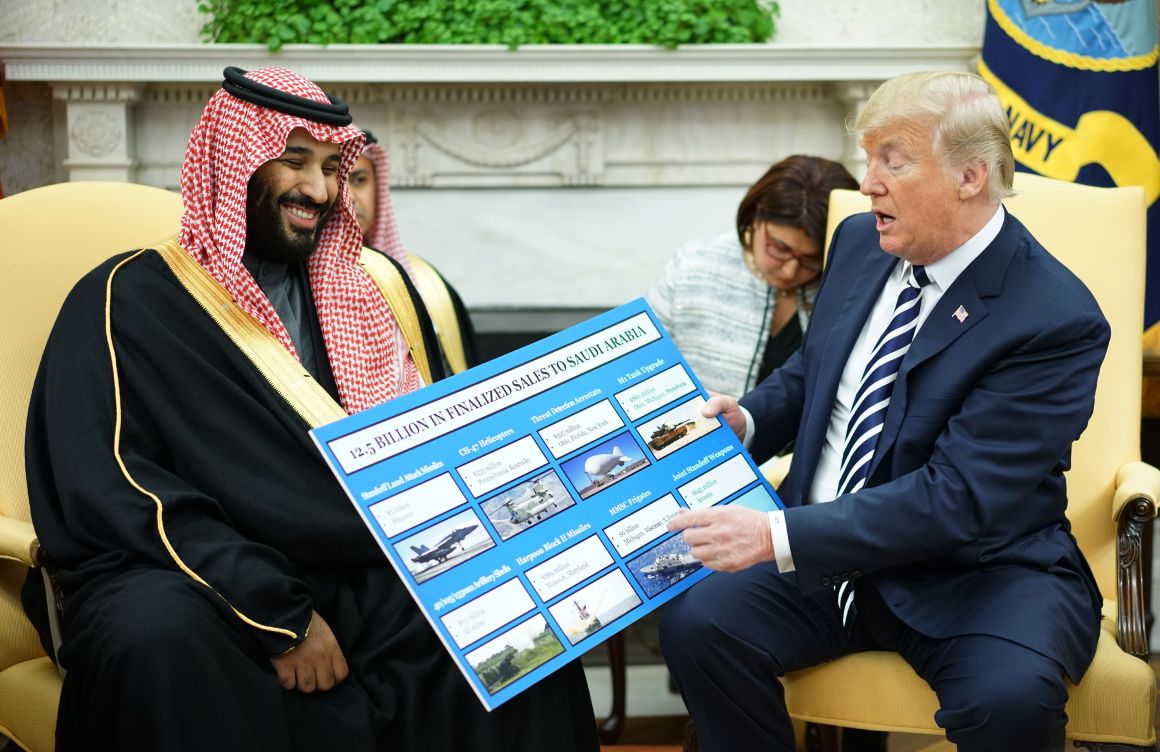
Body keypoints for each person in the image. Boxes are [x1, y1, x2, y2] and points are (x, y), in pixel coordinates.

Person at [22, 66, 598, 752]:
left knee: (512, 618)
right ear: (229, 162)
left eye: (332, 167)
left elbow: (435, 446)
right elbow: (119, 491)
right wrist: (278, 615)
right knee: (154, 638)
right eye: (295, 162)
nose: (321, 191)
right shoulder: (126, 299)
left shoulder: (362, 298)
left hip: (359, 568)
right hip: (197, 576)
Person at [660, 70, 1107, 752]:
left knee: (1010, 700)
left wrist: (777, 536)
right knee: (699, 622)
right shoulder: (862, 241)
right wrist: (746, 421)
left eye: (892, 163)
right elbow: (817, 373)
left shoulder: (1053, 318)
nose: (868, 183)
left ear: (970, 176)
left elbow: (958, 498)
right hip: (822, 561)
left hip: (971, 573)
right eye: (869, 161)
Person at [647, 155, 858, 398]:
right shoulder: (693, 265)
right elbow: (645, 361)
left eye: (811, 259)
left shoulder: (848, 284)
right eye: (779, 248)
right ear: (757, 216)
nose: (790, 271)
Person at [349, 129, 479, 374]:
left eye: (359, 180)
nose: (350, 197)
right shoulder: (298, 287)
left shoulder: (427, 283)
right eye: (338, 181)